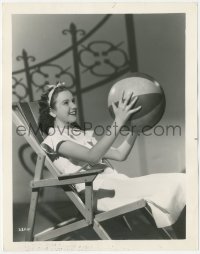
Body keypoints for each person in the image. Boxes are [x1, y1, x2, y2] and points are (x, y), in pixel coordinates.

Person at [39, 81, 186, 229]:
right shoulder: (53, 140)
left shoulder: (80, 135)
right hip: (98, 192)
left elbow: (120, 154)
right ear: (52, 111)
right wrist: (118, 121)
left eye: (73, 101)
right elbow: (92, 156)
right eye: (66, 103)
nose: (74, 106)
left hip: (115, 183)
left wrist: (135, 128)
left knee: (181, 182)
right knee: (178, 183)